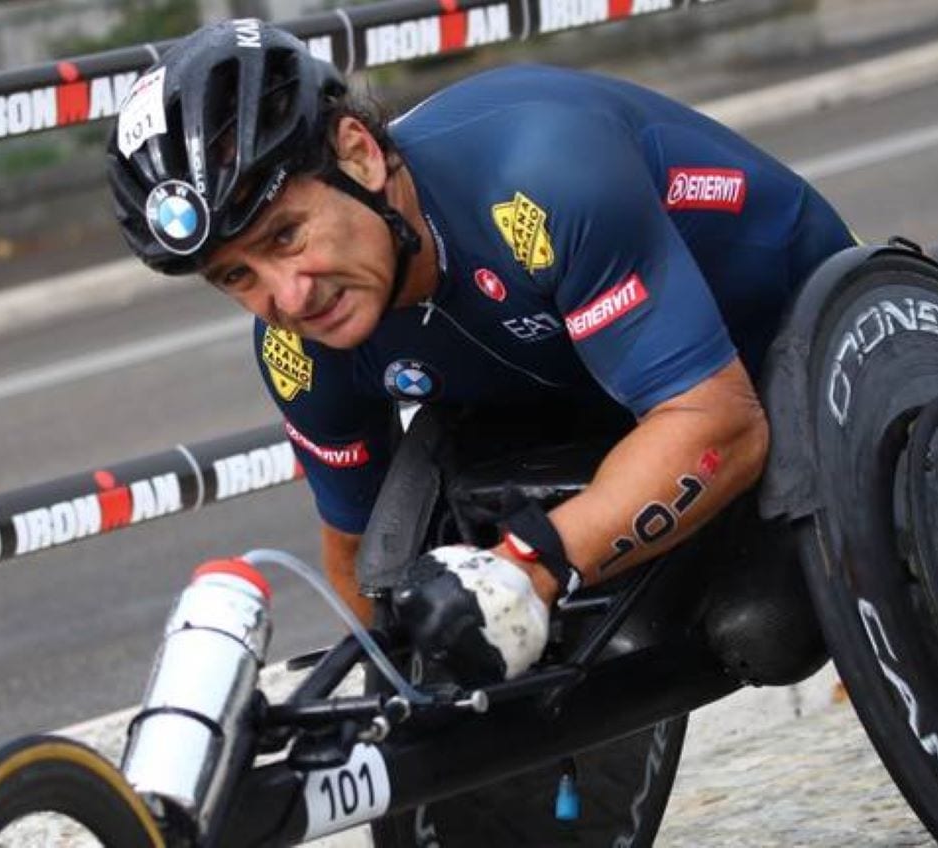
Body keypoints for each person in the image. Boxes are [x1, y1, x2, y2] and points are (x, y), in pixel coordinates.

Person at [107, 19, 856, 684]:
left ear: (359, 156)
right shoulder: (297, 346)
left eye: (286, 235)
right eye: (237, 276)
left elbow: (720, 423)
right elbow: (359, 555)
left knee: (762, 629)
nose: (290, 297)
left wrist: (526, 568)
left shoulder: (541, 179)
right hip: (595, 394)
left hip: (796, 349)